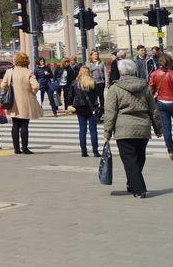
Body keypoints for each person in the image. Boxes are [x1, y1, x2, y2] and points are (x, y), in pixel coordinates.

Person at [104, 58, 162, 198]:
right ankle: (132, 183)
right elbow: (153, 109)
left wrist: (108, 131)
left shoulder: (115, 88)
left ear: (120, 71)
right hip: (143, 126)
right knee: (140, 157)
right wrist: (158, 128)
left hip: (124, 128)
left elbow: (110, 111)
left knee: (130, 159)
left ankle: (139, 189)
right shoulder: (144, 86)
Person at [1, 52, 42, 154]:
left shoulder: (10, 71)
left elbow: (3, 85)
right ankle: (25, 148)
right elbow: (36, 86)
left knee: (15, 125)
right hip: (26, 101)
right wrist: (33, 92)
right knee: (24, 125)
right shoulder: (28, 72)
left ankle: (16, 148)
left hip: (13, 101)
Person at [147, 53, 173, 162]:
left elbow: (150, 89)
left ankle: (170, 150)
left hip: (161, 102)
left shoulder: (154, 74)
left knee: (166, 128)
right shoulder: (172, 74)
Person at [72, 66, 101, 157]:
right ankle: (95, 151)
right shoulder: (92, 82)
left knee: (82, 130)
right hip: (91, 107)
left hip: (80, 108)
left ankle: (83, 151)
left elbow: (70, 95)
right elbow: (97, 95)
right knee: (93, 130)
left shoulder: (75, 83)